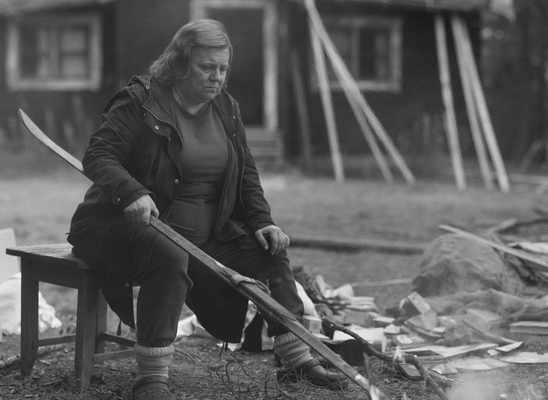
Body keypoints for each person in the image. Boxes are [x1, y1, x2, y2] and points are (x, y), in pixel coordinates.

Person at [67, 19, 349, 400]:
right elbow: (98, 154)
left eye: (223, 68)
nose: (217, 77)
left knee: (270, 251)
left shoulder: (226, 108)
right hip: (130, 227)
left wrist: (262, 221)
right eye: (206, 67)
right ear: (180, 63)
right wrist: (131, 192)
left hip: (207, 236)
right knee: (169, 254)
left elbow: (246, 172)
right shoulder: (140, 101)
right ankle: (151, 379)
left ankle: (297, 359)